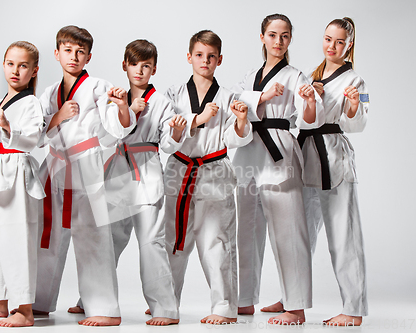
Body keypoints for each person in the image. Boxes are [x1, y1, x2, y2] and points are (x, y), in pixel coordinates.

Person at [70, 39, 187, 326]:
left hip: (146, 173)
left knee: (150, 243)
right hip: (119, 172)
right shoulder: (113, 97)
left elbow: (169, 145)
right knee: (105, 240)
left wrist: (176, 132)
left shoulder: (161, 102)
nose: (139, 70)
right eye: (134, 64)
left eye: (146, 66)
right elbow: (109, 136)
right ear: (125, 66)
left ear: (154, 70)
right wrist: (127, 108)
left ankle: (165, 310)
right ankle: (93, 300)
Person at [33, 25, 136, 327]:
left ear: (88, 56)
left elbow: (115, 130)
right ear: (57, 53)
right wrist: (58, 116)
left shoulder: (99, 87)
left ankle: (104, 308)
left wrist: (122, 107)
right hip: (53, 167)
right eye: (68, 50)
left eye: (80, 52)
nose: (74, 57)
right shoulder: (50, 93)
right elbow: (37, 136)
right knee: (46, 234)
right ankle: (38, 301)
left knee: (93, 235)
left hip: (85, 165)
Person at [232, 13, 324, 325]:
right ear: (262, 37)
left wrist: (310, 101)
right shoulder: (250, 76)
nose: (278, 42)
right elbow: (235, 103)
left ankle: (295, 306)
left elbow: (310, 117)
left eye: (285, 36)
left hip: (279, 150)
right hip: (248, 153)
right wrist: (263, 96)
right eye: (272, 35)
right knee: (246, 228)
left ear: (290, 40)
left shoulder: (297, 77)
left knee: (288, 229)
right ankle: (244, 300)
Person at [163, 30, 252, 325]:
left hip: (214, 172)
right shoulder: (173, 94)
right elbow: (166, 136)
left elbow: (234, 139)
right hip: (180, 170)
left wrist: (240, 121)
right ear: (189, 57)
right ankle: (166, 303)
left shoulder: (228, 97)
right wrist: (193, 121)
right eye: (199, 55)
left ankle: (224, 307)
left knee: (217, 239)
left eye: (211, 56)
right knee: (174, 239)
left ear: (220, 60)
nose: (205, 61)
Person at [297, 17, 368, 326]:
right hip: (306, 156)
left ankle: (353, 310)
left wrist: (352, 107)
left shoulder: (355, 81)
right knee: (299, 234)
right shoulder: (311, 75)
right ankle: (293, 300)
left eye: (339, 42)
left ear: (348, 45)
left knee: (343, 235)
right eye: (328, 39)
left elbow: (358, 123)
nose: (332, 46)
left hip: (335, 160)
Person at [0, 41, 45, 327]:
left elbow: (35, 138)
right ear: (3, 65)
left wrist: (8, 128)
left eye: (23, 65)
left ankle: (24, 309)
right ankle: (0, 302)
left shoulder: (31, 103)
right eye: (11, 64)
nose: (16, 70)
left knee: (17, 240)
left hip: (17, 176)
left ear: (34, 70)